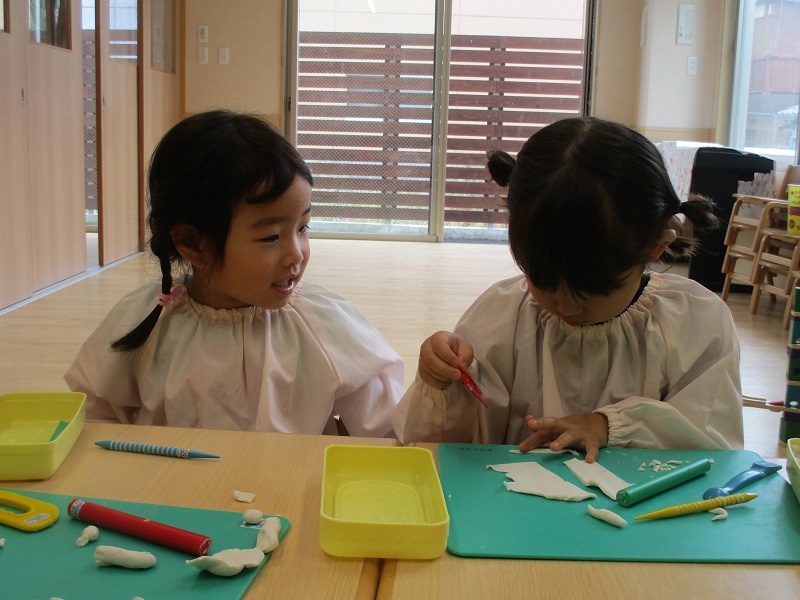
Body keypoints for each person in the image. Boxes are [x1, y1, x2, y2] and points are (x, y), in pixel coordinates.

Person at [392, 117, 744, 460]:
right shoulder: (501, 316)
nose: (566, 307)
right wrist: (441, 383)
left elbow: (711, 442)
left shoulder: (694, 323)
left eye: (591, 290)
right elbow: (447, 446)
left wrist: (609, 426)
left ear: (656, 245)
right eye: (542, 281)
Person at [66, 110, 404, 437]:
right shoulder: (148, 320)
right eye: (270, 237)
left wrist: (431, 385)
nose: (296, 254)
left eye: (303, 227)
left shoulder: (322, 325)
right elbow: (94, 420)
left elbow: (391, 430)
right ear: (194, 245)